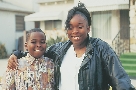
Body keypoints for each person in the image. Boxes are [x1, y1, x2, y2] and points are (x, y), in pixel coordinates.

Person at [7, 2, 135, 90]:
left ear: (88, 28)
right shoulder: (59, 50)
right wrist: (16, 54)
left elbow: (121, 81)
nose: (75, 31)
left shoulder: (102, 49)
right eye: (70, 27)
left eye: (80, 27)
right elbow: (37, 51)